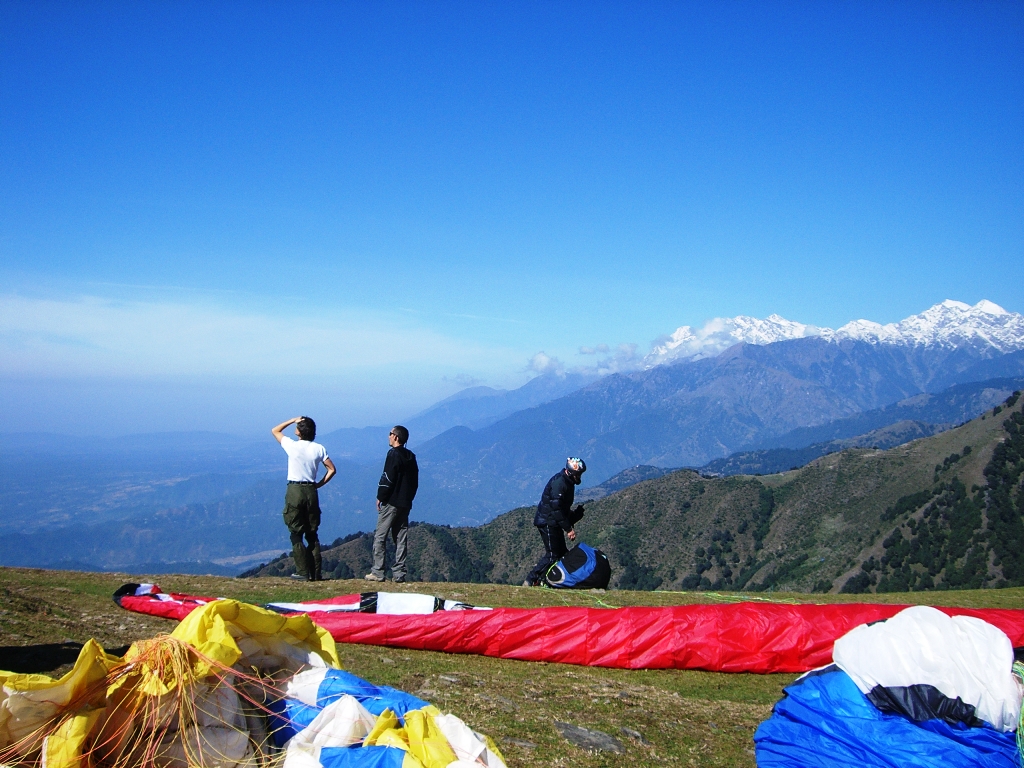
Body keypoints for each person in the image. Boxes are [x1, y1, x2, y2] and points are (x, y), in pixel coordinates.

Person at [271, 416, 336, 581]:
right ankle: (316, 573)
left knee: (295, 532)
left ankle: (302, 571)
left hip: (295, 489)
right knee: (312, 533)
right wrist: (319, 484)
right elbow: (332, 469)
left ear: (299, 431)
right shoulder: (319, 448)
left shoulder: (292, 445)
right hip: (311, 490)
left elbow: (275, 430)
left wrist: (292, 420)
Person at [366, 425, 419, 583]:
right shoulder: (411, 456)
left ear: (396, 437)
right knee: (401, 537)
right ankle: (399, 573)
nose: (388, 436)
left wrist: (380, 496)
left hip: (392, 502)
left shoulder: (393, 454)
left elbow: (388, 477)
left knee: (380, 536)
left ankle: (378, 571)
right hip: (405, 502)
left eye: (390, 434)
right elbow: (414, 481)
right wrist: (409, 498)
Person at [523, 457, 587, 587]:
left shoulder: (568, 482)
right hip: (547, 522)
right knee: (553, 555)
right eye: (578, 474)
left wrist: (575, 516)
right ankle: (530, 580)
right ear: (571, 472)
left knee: (562, 554)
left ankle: (548, 581)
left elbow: (562, 509)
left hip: (553, 522)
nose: (579, 476)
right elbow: (556, 509)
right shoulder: (560, 483)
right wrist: (568, 529)